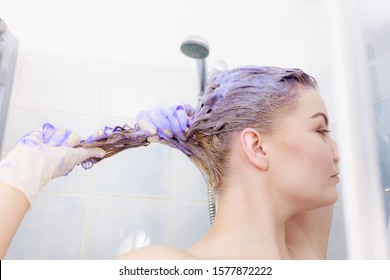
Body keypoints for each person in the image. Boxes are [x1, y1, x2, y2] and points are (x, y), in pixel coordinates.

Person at [0, 66, 339, 259]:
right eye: (321, 130)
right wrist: (21, 177)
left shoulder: (303, 251)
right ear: (257, 147)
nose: (336, 152)